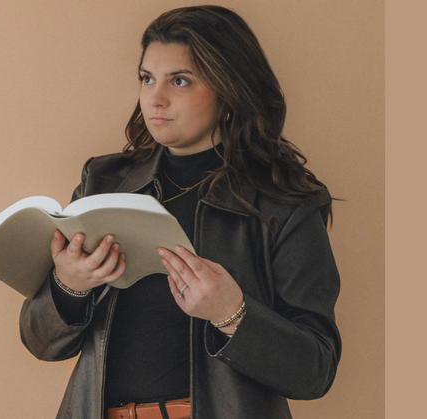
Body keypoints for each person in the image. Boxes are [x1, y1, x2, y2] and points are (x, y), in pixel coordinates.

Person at [20, 5, 341, 419]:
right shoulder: (104, 183)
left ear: (229, 89)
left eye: (180, 80)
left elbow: (316, 369)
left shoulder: (283, 201)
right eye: (147, 78)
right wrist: (69, 285)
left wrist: (231, 312)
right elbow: (41, 342)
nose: (155, 97)